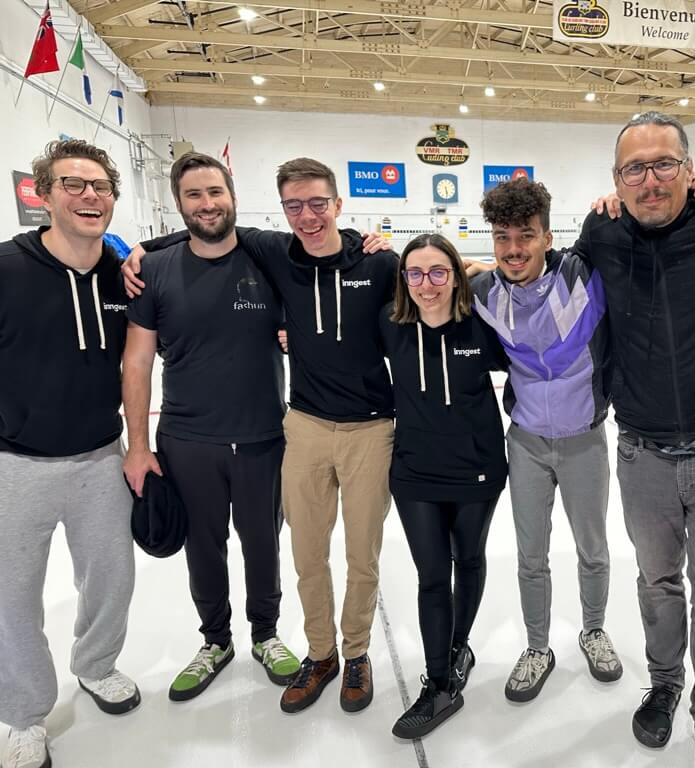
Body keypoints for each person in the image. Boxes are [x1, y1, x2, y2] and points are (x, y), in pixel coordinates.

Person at [124, 157, 396, 715]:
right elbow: (206, 230)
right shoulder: (233, 257)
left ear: (338, 204)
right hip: (246, 429)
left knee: (315, 549)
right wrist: (138, 249)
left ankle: (317, 645)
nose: (307, 215)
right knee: (262, 549)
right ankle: (261, 646)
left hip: (321, 430)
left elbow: (434, 282)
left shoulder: (351, 259)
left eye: (318, 203)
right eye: (294, 205)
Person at [578, 111, 695, 767]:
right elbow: (542, 286)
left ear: (690, 167)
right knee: (657, 586)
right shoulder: (600, 230)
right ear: (616, 179)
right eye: (635, 168)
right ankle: (664, 687)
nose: (650, 180)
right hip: (642, 454)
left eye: (664, 164)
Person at [121, 152, 299, 702]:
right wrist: (137, 447)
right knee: (203, 545)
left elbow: (323, 251)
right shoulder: (152, 269)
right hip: (187, 438)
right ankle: (216, 640)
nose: (207, 204)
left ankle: (266, 634)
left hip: (262, 434)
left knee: (263, 544)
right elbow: (137, 362)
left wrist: (374, 243)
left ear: (233, 194)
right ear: (179, 204)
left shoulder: (267, 258)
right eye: (194, 196)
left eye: (214, 192)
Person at [0, 140, 140, 768]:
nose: (89, 195)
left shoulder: (122, 274)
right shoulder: (6, 268)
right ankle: (25, 713)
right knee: (11, 595)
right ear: (44, 194)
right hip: (15, 462)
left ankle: (97, 665)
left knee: (111, 579)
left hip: (100, 457)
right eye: (73, 184)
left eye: (100, 186)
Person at [470, 177, 622, 703]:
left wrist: (611, 207)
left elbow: (631, 237)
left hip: (584, 440)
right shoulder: (483, 292)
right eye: (502, 237)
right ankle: (537, 647)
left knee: (593, 549)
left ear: (546, 235)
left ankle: (594, 629)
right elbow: (418, 286)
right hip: (527, 442)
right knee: (530, 554)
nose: (514, 250)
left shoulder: (581, 275)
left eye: (526, 236)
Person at [380, 233, 508, 738]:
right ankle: (438, 685)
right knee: (432, 575)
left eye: (439, 272)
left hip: (477, 468)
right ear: (403, 280)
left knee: (468, 560)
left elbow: (516, 277)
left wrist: (480, 270)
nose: (426, 284)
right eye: (415, 273)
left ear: (455, 275)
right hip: (414, 473)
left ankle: (460, 648)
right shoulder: (389, 326)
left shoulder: (482, 324)